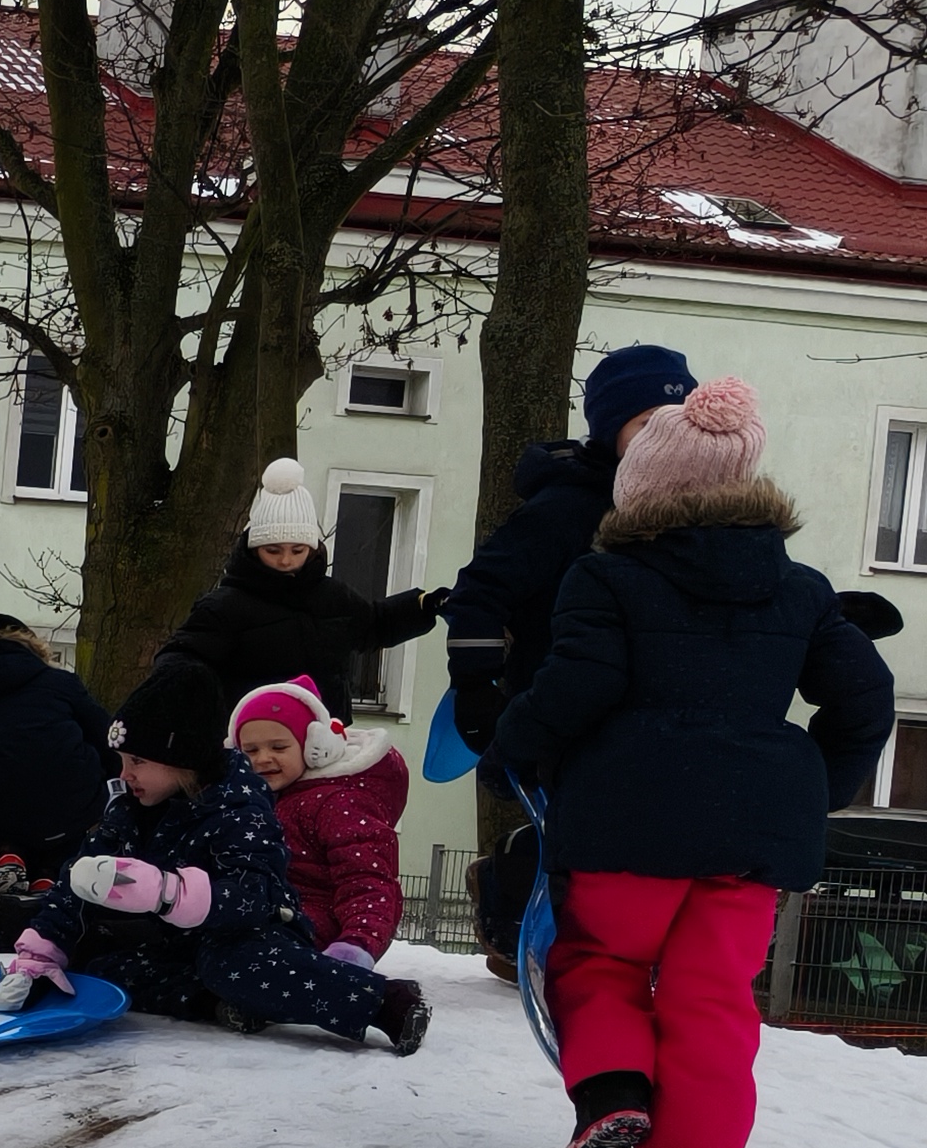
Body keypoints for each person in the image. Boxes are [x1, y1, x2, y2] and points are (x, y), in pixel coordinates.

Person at [489, 376, 893, 1148]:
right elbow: (865, 701)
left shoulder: (606, 577)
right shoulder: (803, 589)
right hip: (754, 835)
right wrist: (814, 787)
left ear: (638, 490)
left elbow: (578, 684)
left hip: (629, 817)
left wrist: (512, 748)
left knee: (600, 961)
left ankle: (612, 1093)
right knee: (713, 992)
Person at [0, 662, 429, 1051]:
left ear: (181, 759)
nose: (124, 774)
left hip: (254, 935)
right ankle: (218, 1004)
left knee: (230, 964)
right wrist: (41, 952)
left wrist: (169, 894)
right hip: (179, 941)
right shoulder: (130, 810)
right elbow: (76, 879)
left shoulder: (239, 808)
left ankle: (383, 1001)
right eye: (122, 760)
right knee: (101, 967)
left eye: (137, 761)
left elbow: (254, 895)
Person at [443, 341, 684, 962]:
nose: (664, 438)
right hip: (558, 695)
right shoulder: (566, 507)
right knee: (584, 834)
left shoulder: (691, 512)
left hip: (649, 702)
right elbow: (481, 590)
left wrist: (822, 611)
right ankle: (522, 915)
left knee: (641, 829)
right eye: (647, 424)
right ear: (610, 429)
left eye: (678, 422)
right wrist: (477, 684)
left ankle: (585, 942)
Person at [156, 458, 446, 716]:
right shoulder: (225, 606)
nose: (286, 560)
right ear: (254, 549)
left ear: (312, 548)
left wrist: (423, 605)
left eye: (297, 550)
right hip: (256, 741)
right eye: (273, 550)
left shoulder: (332, 596)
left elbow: (374, 625)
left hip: (327, 738)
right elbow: (183, 656)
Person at [0, 607, 113, 949]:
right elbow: (103, 735)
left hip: (1, 809)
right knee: (64, 820)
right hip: (71, 803)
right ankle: (49, 876)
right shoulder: (62, 684)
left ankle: (6, 855)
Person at [227, 679, 408, 965]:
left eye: (278, 747)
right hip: (266, 911)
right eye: (250, 750)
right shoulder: (251, 801)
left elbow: (366, 879)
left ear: (315, 746)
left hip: (320, 924)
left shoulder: (337, 803)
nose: (263, 759)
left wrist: (356, 944)